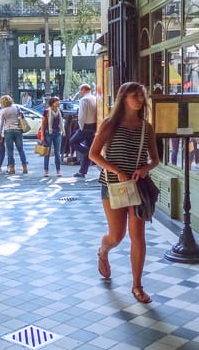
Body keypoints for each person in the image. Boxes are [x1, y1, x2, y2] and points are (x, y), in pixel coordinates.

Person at [88, 82, 160, 304]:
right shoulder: (110, 124)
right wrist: (117, 171)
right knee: (117, 235)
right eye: (134, 95)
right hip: (113, 186)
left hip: (138, 186)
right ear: (124, 98)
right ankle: (103, 250)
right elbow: (93, 154)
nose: (139, 99)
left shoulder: (146, 127)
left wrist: (144, 168)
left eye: (141, 95)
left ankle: (137, 286)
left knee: (138, 237)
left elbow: (155, 159)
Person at [0, 95, 28, 174]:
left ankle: (12, 168)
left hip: (8, 131)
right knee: (21, 149)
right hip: (18, 130)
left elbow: (1, 124)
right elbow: (21, 116)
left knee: (10, 150)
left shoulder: (3, 111)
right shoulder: (16, 107)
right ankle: (25, 167)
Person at [71, 83, 97, 177]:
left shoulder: (83, 100)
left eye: (80, 90)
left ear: (84, 90)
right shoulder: (95, 98)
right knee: (89, 145)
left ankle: (90, 153)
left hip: (86, 126)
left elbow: (82, 115)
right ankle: (82, 171)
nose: (80, 92)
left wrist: (81, 127)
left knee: (72, 141)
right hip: (94, 126)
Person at [41, 96, 64, 177]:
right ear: (52, 103)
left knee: (57, 152)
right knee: (47, 152)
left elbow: (61, 122)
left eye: (58, 101)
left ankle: (58, 170)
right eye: (56, 101)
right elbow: (43, 124)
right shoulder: (47, 111)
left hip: (57, 132)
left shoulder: (60, 111)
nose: (58, 103)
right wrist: (42, 135)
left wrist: (62, 131)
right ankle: (46, 170)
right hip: (48, 133)